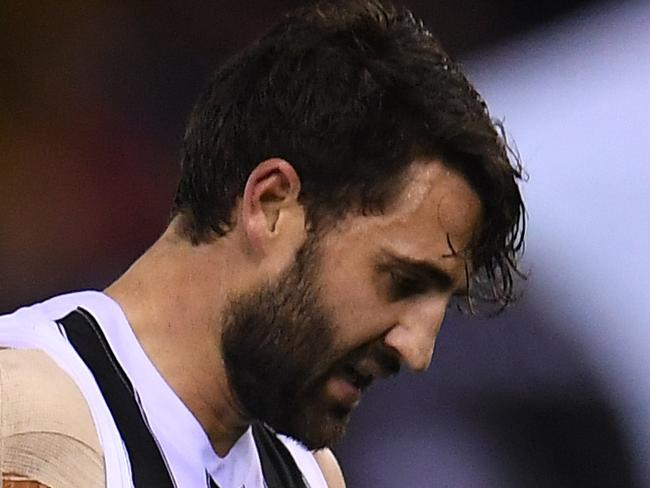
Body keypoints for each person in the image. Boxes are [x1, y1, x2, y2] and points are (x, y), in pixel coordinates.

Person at [0, 0, 526, 487]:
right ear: (271, 206)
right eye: (402, 280)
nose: (417, 351)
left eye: (442, 304)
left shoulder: (309, 474)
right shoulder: (33, 424)